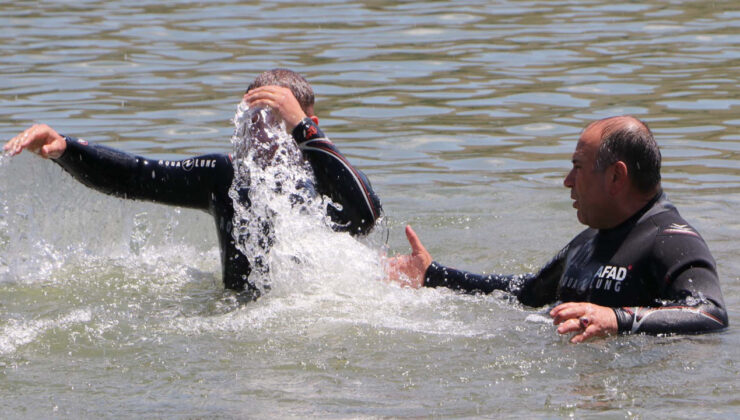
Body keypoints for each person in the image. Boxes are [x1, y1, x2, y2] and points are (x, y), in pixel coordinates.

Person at [4, 69, 382, 293]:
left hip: (318, 313)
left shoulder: (330, 175)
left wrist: (302, 125)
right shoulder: (226, 177)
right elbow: (136, 176)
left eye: (276, 124)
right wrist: (67, 148)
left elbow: (366, 217)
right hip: (245, 323)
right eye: (252, 125)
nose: (259, 139)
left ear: (306, 126)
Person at [389, 116, 728, 342]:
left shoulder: (671, 240)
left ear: (615, 177)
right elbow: (526, 292)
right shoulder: (587, 243)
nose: (567, 182)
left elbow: (710, 314)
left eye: (577, 168)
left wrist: (617, 319)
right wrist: (433, 274)